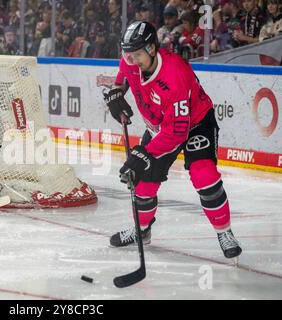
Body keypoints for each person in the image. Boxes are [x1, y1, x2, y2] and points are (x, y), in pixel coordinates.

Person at [103, 21, 242, 260]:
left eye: (137, 54)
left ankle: (224, 232)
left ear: (152, 48)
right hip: (161, 126)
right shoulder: (130, 60)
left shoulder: (174, 74)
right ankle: (142, 231)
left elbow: (176, 133)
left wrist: (143, 154)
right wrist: (117, 91)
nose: (132, 60)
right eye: (129, 54)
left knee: (204, 175)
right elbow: (123, 75)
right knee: (143, 185)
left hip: (196, 123)